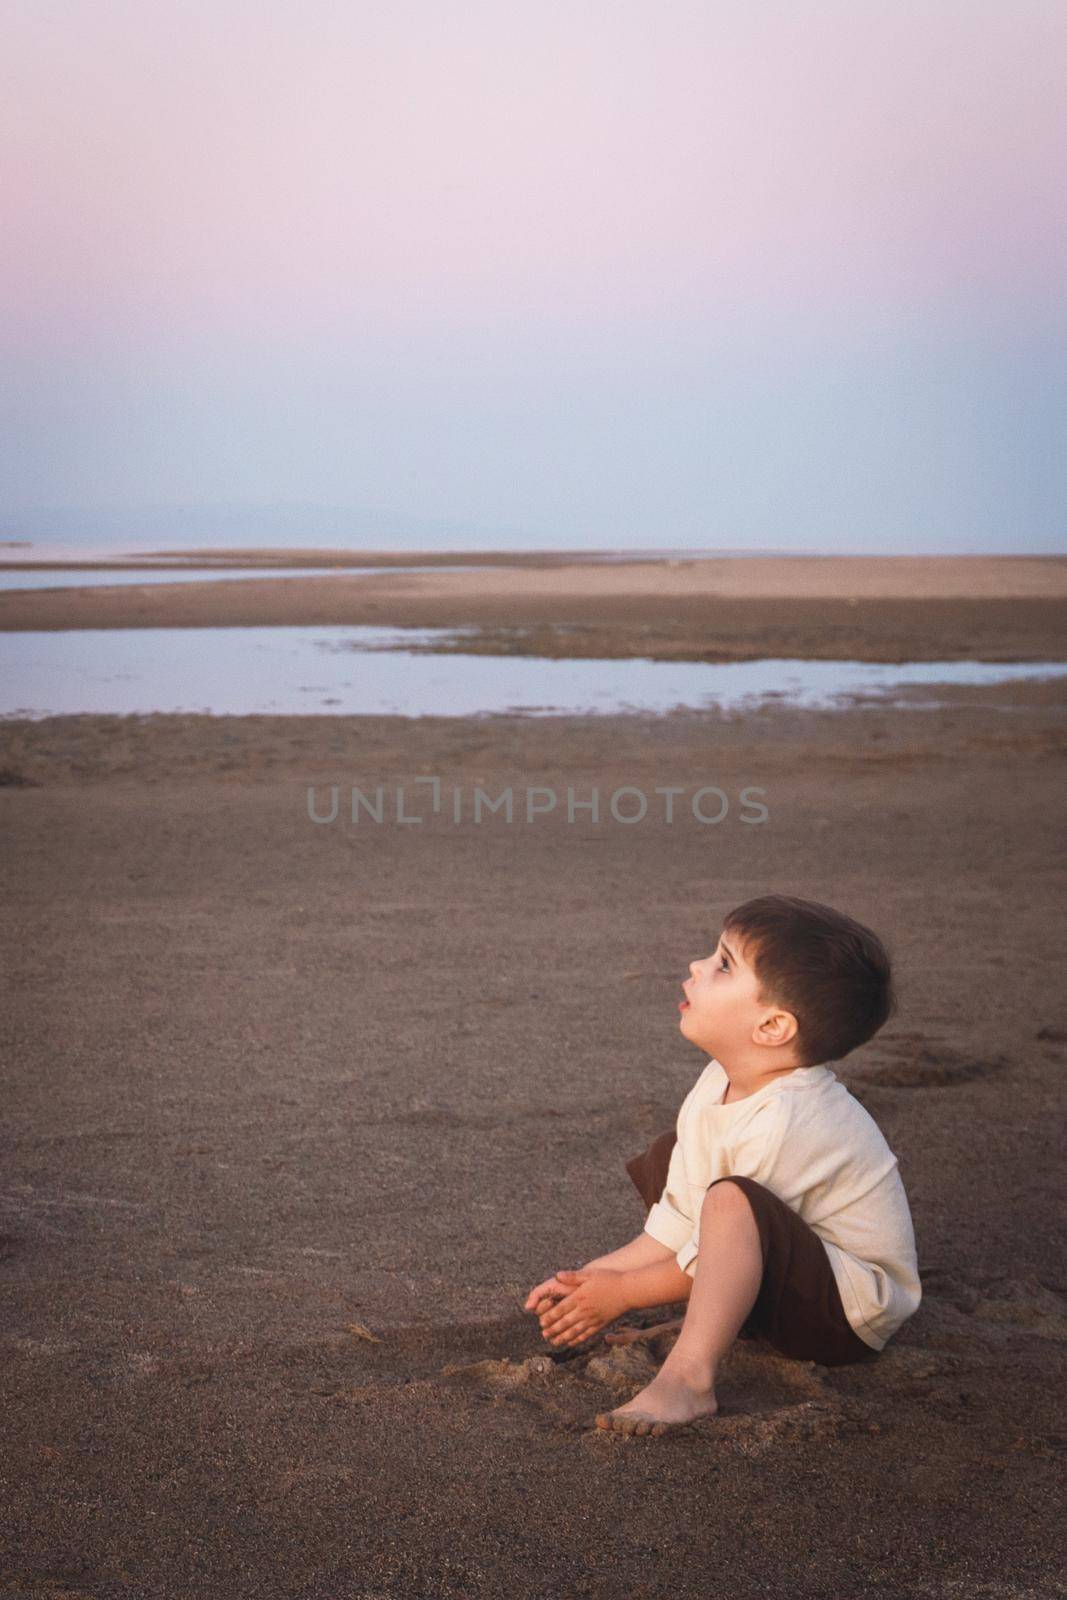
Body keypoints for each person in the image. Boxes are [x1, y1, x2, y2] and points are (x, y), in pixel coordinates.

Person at [523, 894, 922, 1437]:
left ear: (773, 1027)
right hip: (777, 1282)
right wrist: (597, 1276)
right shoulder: (718, 1081)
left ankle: (688, 1378)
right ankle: (712, 1321)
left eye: (723, 965)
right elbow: (679, 1223)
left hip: (845, 1315)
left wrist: (621, 1296)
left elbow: (714, 1242)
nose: (696, 967)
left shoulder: (790, 1117)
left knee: (731, 1199)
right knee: (675, 1157)